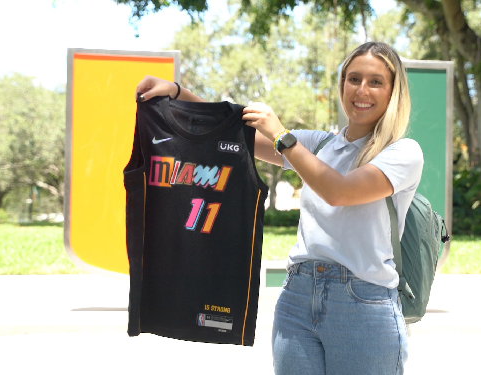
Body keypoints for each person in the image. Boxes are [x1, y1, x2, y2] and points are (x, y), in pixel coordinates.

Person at [135, 41, 423, 375]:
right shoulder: (320, 144)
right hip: (297, 297)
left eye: (376, 81)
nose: (362, 90)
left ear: (393, 92)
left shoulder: (403, 152)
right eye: (354, 78)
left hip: (363, 303)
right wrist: (178, 92)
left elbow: (339, 192)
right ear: (342, 84)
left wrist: (283, 137)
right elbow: (232, 134)